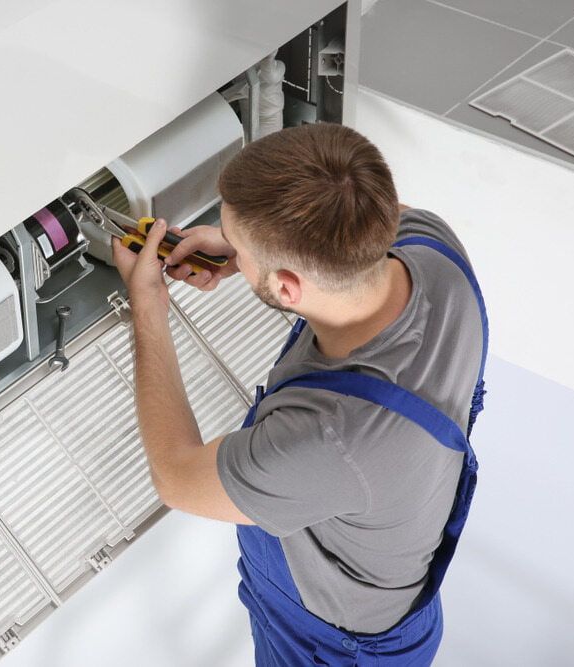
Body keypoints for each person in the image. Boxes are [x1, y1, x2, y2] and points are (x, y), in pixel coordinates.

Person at [111, 123, 487, 666]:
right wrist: (250, 244)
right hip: (387, 592)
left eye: (237, 249)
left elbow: (176, 476)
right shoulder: (433, 250)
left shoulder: (327, 439)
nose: (230, 253)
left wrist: (147, 304)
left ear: (287, 288)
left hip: (334, 648)